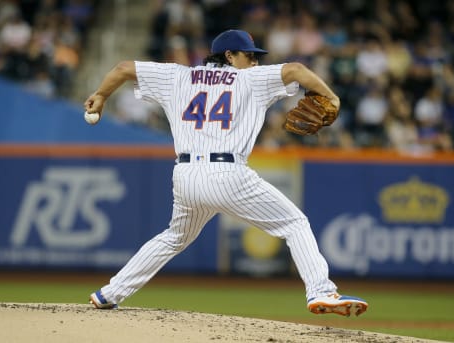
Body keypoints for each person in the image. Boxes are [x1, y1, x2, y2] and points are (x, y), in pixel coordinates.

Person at [84, 29, 368, 317]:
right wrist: (332, 98)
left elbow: (122, 68)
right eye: (249, 56)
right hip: (227, 173)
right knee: (294, 224)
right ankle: (321, 291)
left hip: (185, 175)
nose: (255, 63)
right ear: (229, 56)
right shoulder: (249, 79)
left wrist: (100, 95)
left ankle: (109, 293)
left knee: (174, 237)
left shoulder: (177, 76)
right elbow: (296, 69)